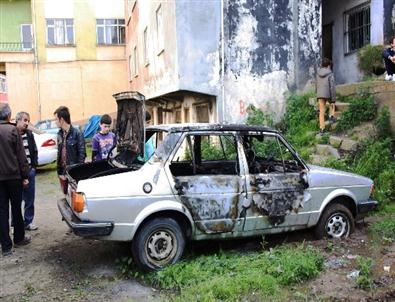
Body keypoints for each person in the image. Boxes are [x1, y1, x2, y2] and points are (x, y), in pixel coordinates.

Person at [0, 104, 31, 256]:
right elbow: (21, 156)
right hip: (13, 177)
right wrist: (25, 176)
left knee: (2, 210)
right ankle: (19, 238)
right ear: (8, 115)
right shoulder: (13, 130)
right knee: (16, 208)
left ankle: (5, 246)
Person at [53, 106, 86, 193]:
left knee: (75, 197)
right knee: (66, 196)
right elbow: (59, 153)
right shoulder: (59, 134)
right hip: (62, 173)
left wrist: (77, 172)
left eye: (56, 119)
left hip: (73, 173)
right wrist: (59, 172)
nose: (55, 122)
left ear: (62, 119)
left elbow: (82, 155)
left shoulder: (77, 133)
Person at [15, 111, 38, 231]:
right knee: (16, 201)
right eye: (25, 120)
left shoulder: (29, 134)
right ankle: (16, 225)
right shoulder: (12, 133)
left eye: (28, 121)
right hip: (17, 174)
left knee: (30, 200)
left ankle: (28, 222)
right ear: (17, 120)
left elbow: (34, 150)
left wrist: (34, 167)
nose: (27, 123)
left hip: (30, 172)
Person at [316, 58, 336, 134]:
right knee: (332, 103)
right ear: (328, 66)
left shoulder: (318, 73)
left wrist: (317, 93)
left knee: (321, 111)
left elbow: (317, 84)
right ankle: (331, 116)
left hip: (320, 94)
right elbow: (332, 86)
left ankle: (322, 129)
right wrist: (333, 98)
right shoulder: (330, 73)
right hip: (327, 93)